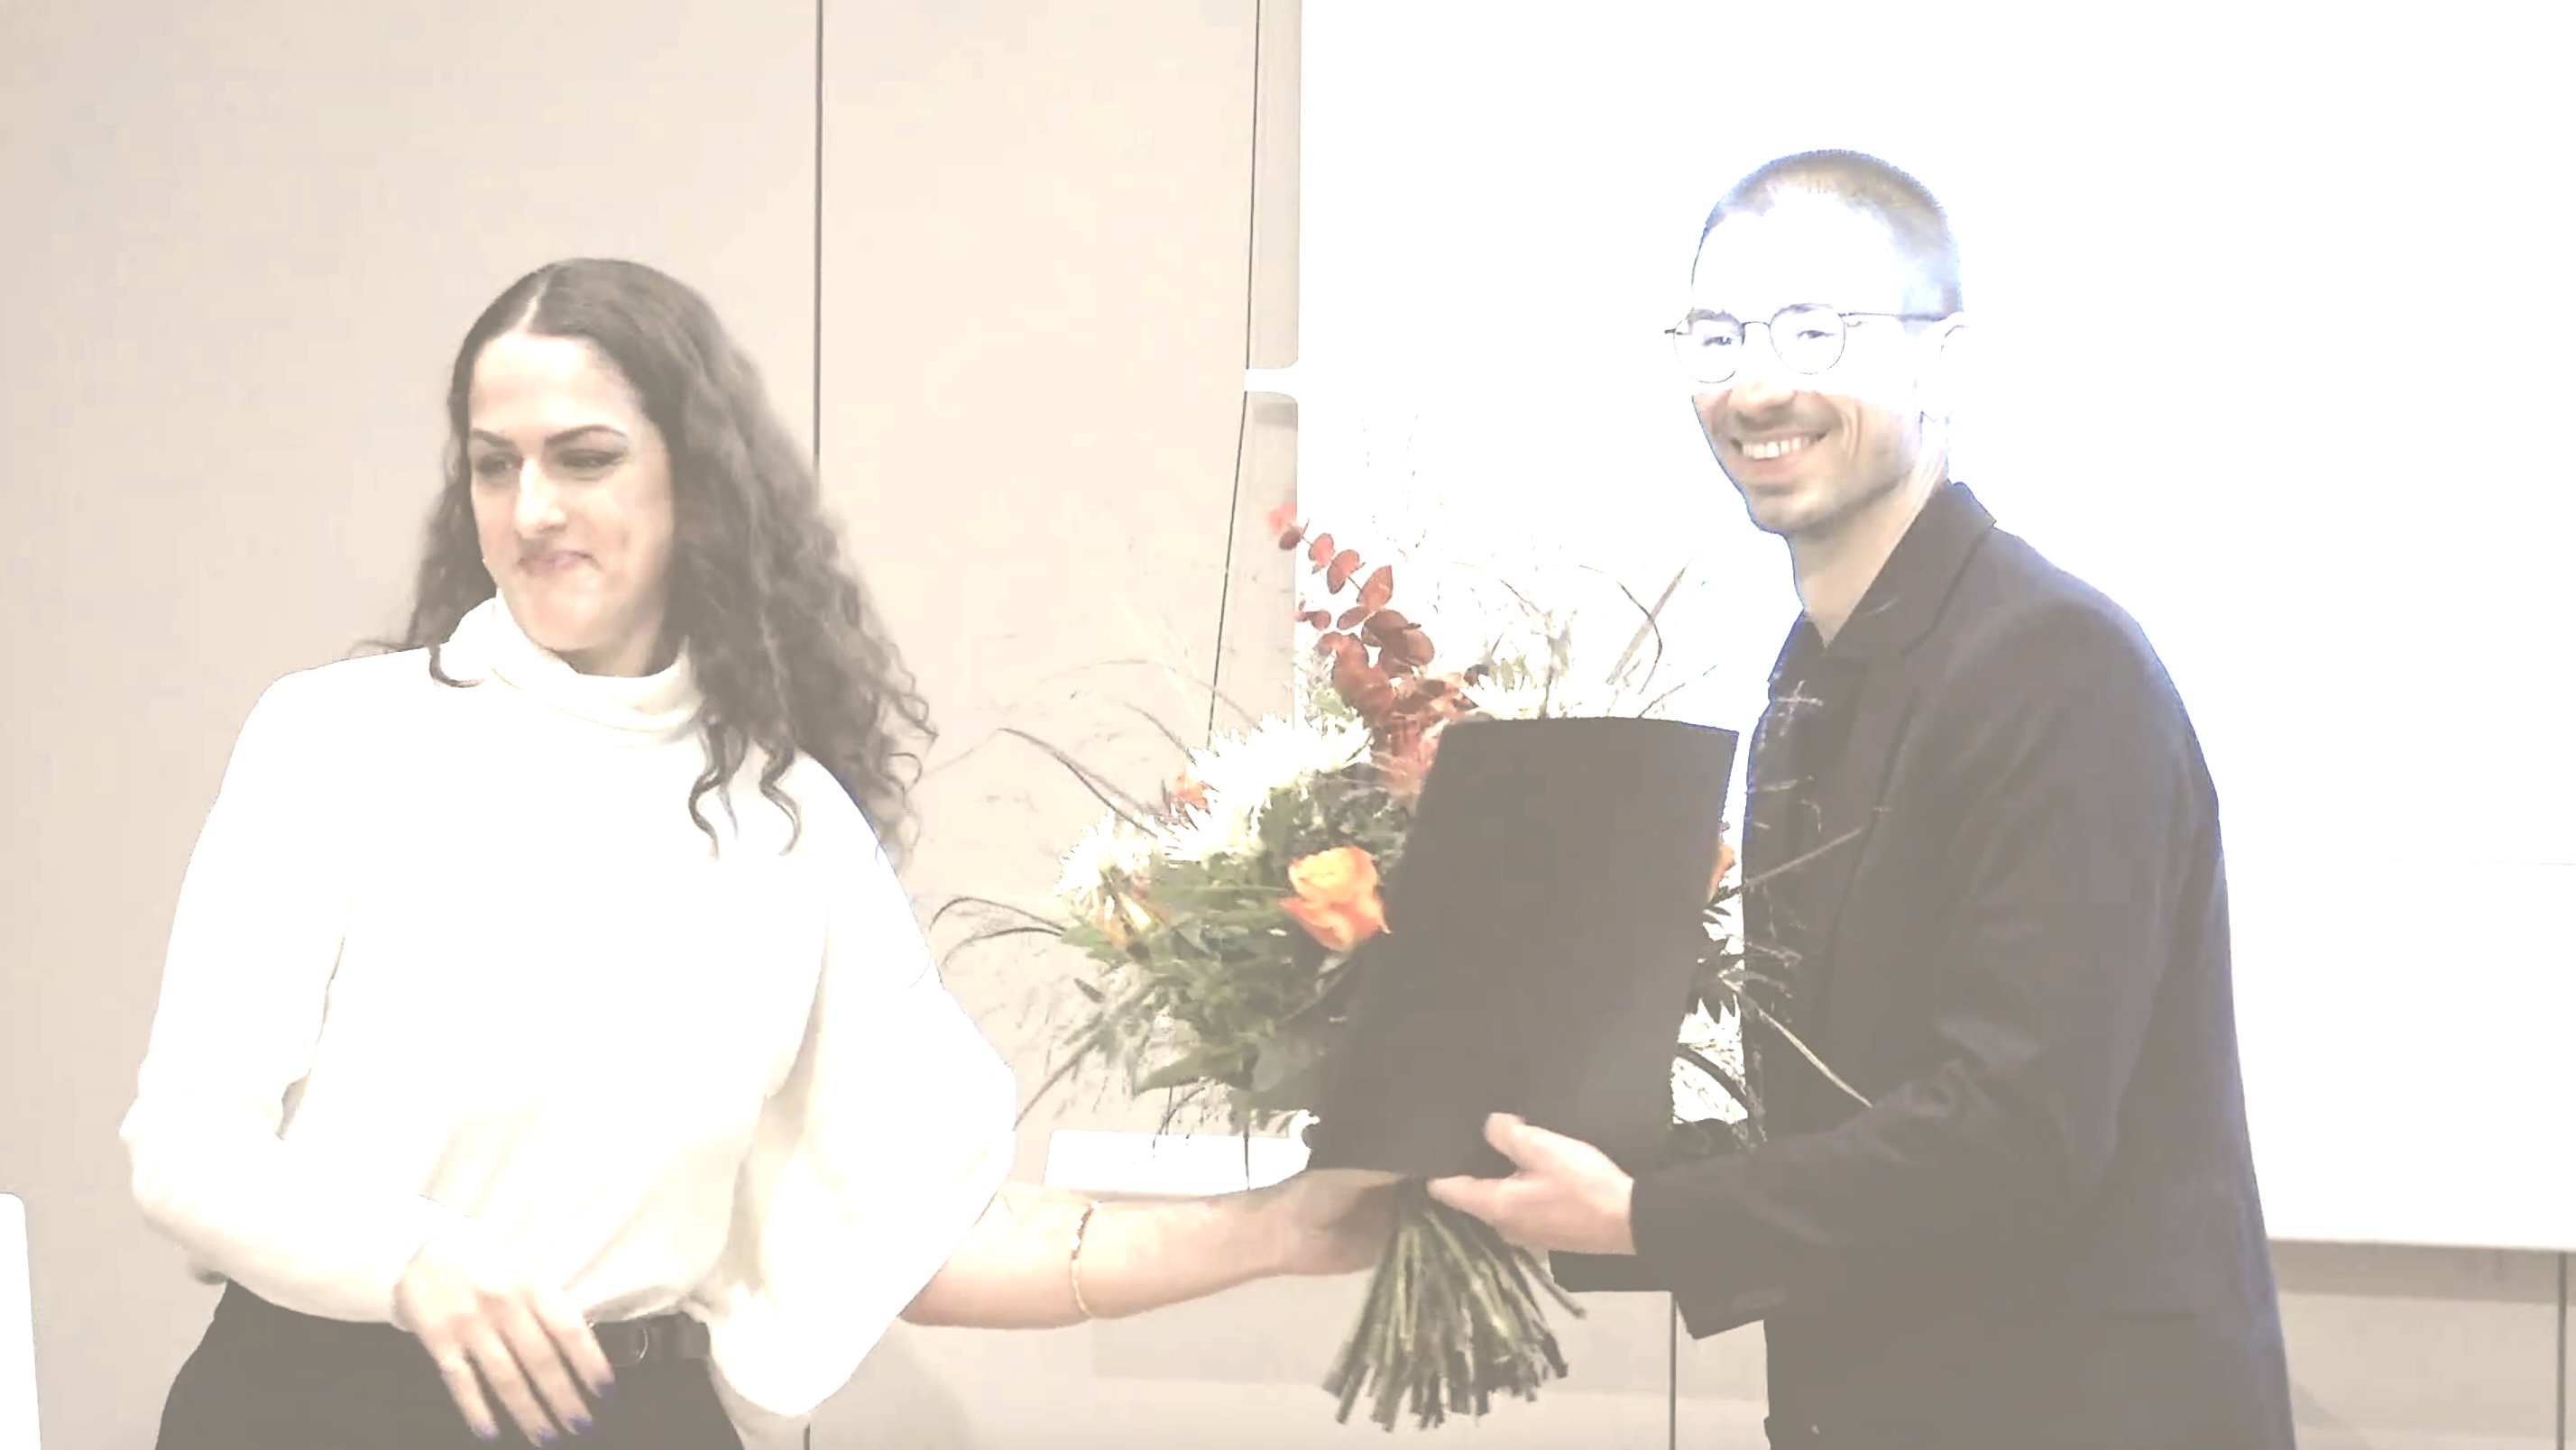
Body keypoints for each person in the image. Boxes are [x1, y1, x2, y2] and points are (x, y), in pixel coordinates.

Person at [119, 257, 1397, 1450]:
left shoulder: (792, 819)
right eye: (494, 466)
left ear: (697, 485)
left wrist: (1279, 1228)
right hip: (318, 1406)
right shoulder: (339, 737)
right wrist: (410, 1259)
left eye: (584, 459)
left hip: (625, 1414)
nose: (533, 508)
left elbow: (925, 1236)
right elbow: (186, 1149)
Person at [1424, 151, 2297, 1448]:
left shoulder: (2053, 664)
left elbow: (2015, 1134)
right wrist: (1492, 1152)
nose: (1756, 386)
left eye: (1815, 332)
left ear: (1944, 361)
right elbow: (1844, 1111)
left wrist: (1645, 1217)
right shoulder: (1815, 670)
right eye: (1717, 336)